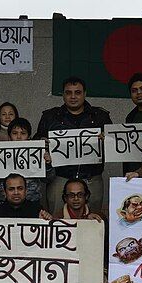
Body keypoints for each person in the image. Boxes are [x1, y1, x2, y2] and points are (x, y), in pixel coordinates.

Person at [34, 76, 112, 214]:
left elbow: (115, 146)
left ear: (85, 94)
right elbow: (35, 144)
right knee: (57, 220)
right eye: (68, 92)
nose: (73, 96)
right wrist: (42, 142)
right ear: (63, 95)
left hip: (91, 178)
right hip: (60, 177)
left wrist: (108, 140)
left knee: (92, 223)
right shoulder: (50, 117)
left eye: (77, 92)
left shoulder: (100, 116)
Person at [0, 173, 54, 283]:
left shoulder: (36, 210)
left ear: (26, 190)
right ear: (4, 192)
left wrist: (48, 221)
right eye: (11, 189)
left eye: (20, 188)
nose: (16, 192)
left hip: (27, 268)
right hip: (1, 267)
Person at [46, 178, 106, 283]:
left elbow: (104, 248)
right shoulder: (57, 217)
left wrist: (93, 224)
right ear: (65, 198)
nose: (76, 199)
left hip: (88, 264)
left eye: (80, 195)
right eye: (71, 195)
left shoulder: (98, 218)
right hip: (63, 265)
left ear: (87, 196)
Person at [0, 117, 54, 204]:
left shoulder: (37, 153)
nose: (19, 137)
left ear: (29, 137)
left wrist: (48, 164)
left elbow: (49, 179)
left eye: (23, 133)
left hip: (32, 201)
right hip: (3, 201)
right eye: (15, 133)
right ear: (9, 136)